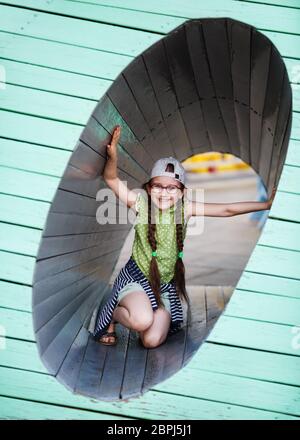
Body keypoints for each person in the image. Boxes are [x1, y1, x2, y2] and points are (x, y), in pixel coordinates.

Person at [92, 125, 276, 348]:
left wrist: (265, 204)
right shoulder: (141, 204)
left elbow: (226, 209)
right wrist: (113, 156)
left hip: (163, 288)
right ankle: (112, 312)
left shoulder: (185, 209)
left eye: (172, 188)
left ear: (182, 192)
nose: (164, 192)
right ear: (149, 189)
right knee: (142, 320)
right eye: (158, 186)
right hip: (137, 281)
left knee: (151, 341)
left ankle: (142, 313)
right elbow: (111, 180)